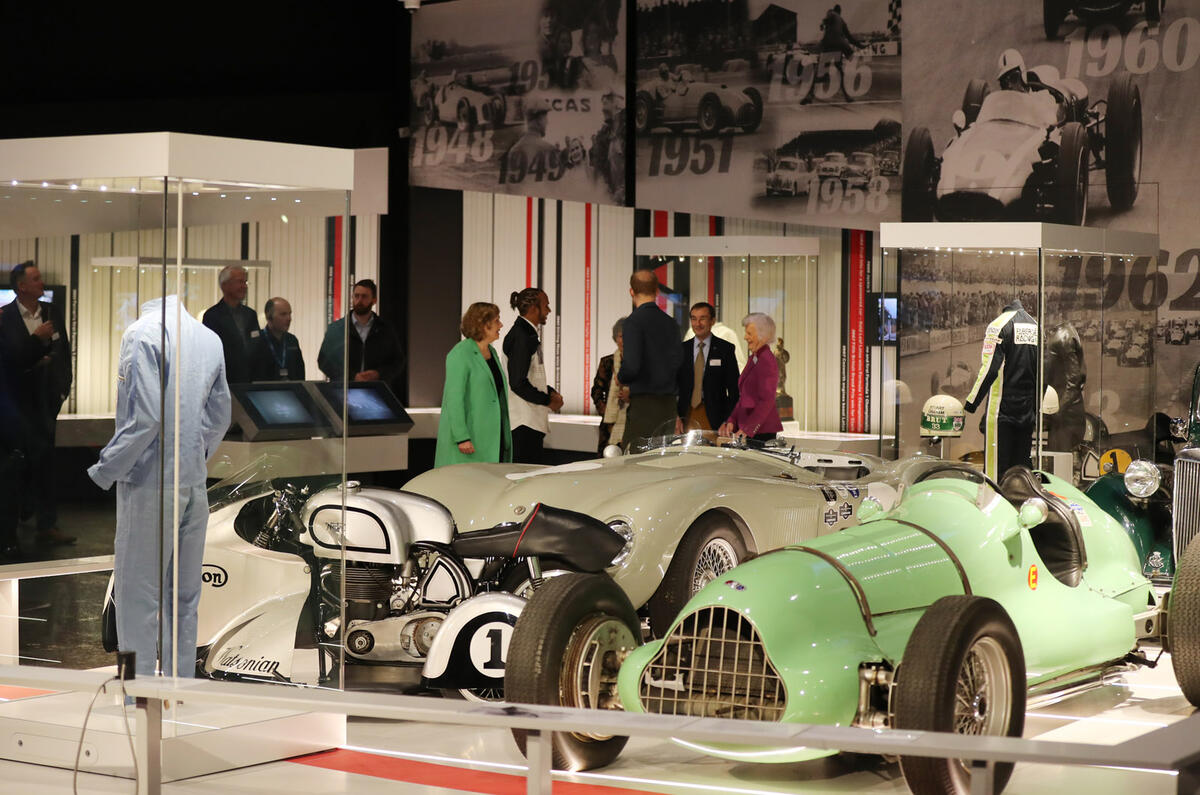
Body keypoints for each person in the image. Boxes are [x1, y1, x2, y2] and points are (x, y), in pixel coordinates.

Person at [87, 295, 231, 679]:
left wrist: (106, 468)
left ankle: (140, 692)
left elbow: (145, 417)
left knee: (138, 596)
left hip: (150, 482)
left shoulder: (142, 333)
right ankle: (179, 687)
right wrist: (194, 456)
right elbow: (219, 417)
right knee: (183, 597)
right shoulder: (209, 338)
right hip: (192, 484)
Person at [0, 262, 74, 546]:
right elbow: (10, 359)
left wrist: (62, 388)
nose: (42, 282)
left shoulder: (52, 312)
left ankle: (47, 525)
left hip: (46, 401)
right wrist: (34, 347)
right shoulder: (5, 317)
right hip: (16, 405)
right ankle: (13, 528)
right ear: (22, 286)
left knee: (46, 463)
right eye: (36, 279)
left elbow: (63, 351)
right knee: (18, 464)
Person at [965, 298, 1039, 481]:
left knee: (996, 473)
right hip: (1027, 411)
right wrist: (1035, 408)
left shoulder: (998, 325)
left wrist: (971, 403)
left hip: (1002, 411)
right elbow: (1043, 369)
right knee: (1021, 473)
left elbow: (989, 368)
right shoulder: (1035, 325)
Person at [435, 302, 512, 467]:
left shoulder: (491, 352)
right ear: (483, 325)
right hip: (469, 441)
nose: (501, 325)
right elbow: (454, 399)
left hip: (491, 436)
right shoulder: (460, 353)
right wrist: (462, 437)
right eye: (497, 320)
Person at [618, 270, 682, 446]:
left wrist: (621, 377)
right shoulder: (671, 323)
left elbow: (632, 366)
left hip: (644, 404)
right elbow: (679, 362)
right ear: (657, 291)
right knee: (659, 460)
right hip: (668, 405)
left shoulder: (633, 322)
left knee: (635, 458)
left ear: (631, 291)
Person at [504, 288, 564, 464]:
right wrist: (547, 400)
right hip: (523, 422)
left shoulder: (525, 333)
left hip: (527, 420)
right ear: (533, 308)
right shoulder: (522, 336)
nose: (549, 311)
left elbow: (529, 376)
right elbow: (517, 382)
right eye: (546, 306)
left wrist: (549, 392)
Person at [317, 279, 404, 394]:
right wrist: (352, 376)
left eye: (364, 297)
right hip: (343, 392)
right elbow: (324, 361)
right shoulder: (337, 329)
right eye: (356, 296)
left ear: (374, 300)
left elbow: (398, 361)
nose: (359, 300)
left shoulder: (385, 329)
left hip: (377, 392)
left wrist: (378, 374)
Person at [719, 313, 783, 443]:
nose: (745, 337)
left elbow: (767, 401)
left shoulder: (766, 360)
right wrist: (732, 420)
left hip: (760, 432)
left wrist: (749, 429)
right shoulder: (755, 358)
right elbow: (744, 397)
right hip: (747, 428)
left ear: (763, 336)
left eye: (749, 333)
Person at [676, 302, 739, 434]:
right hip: (685, 417)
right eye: (693, 319)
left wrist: (728, 420)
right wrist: (675, 416)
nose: (697, 324)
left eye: (702, 318)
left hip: (716, 420)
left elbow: (734, 391)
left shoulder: (725, 349)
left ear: (712, 321)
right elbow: (673, 387)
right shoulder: (681, 350)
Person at [201, 265, 258, 386]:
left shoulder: (251, 315)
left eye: (245, 282)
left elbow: (257, 346)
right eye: (240, 282)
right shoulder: (212, 316)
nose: (244, 286)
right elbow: (209, 354)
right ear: (224, 285)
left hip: (251, 383)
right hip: (225, 384)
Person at [591, 317, 629, 452]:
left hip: (631, 421)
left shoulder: (639, 364)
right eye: (620, 336)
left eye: (628, 336)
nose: (623, 340)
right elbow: (596, 389)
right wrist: (603, 407)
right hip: (609, 423)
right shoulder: (607, 362)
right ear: (615, 338)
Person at [248, 297, 305, 381]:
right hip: (263, 392)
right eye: (283, 314)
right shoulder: (256, 341)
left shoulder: (292, 340)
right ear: (269, 317)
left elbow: (300, 373)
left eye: (289, 314)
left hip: (290, 391)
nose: (289, 318)